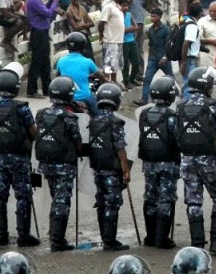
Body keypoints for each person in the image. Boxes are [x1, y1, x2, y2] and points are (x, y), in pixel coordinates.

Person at [176, 67, 216, 255]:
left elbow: (177, 132)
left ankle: (197, 243)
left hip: (188, 159)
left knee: (193, 201)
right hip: (209, 159)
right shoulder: (213, 105)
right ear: (206, 85)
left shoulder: (181, 106)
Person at [35, 76, 83, 252]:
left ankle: (54, 235)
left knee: (56, 198)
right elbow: (77, 142)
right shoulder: (70, 117)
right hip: (64, 165)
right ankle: (57, 240)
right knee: (62, 201)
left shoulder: (41, 114)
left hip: (46, 164)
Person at [138, 77, 180, 250]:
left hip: (149, 162)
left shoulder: (144, 113)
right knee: (166, 198)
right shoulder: (172, 116)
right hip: (168, 162)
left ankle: (150, 236)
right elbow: (177, 138)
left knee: (150, 196)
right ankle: (162, 239)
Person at [0, 63, 39, 247]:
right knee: (23, 195)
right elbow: (33, 132)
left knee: (0, 196)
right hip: (19, 158)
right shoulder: (21, 108)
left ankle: (1, 234)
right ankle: (24, 235)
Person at [89, 83, 130, 251]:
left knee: (102, 202)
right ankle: (109, 241)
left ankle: (105, 238)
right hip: (112, 169)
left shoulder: (93, 121)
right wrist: (125, 168)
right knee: (112, 204)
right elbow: (120, 147)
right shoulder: (116, 122)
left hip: (98, 167)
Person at [26, 0, 61, 98]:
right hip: (38, 33)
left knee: (45, 61)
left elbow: (45, 10)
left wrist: (51, 1)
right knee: (37, 62)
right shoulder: (33, 0)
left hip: (42, 32)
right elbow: (49, 14)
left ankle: (47, 88)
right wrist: (56, 1)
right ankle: (32, 90)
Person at [56, 32, 103, 116]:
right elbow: (100, 75)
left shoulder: (60, 61)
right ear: (83, 47)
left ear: (67, 46)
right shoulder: (88, 62)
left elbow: (58, 77)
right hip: (85, 97)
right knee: (100, 117)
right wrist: (107, 81)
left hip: (67, 98)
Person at [135, 9, 173, 106]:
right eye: (151, 16)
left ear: (160, 17)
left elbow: (169, 45)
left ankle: (176, 96)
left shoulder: (166, 29)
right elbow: (150, 45)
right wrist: (150, 58)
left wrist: (165, 57)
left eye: (154, 16)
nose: (152, 18)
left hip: (164, 59)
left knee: (171, 79)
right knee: (147, 79)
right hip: (153, 59)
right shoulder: (150, 30)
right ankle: (144, 99)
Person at [99, 0, 127, 82]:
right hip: (111, 41)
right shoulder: (108, 7)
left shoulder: (118, 7)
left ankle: (114, 83)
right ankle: (106, 83)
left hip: (118, 40)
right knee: (108, 65)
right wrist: (101, 36)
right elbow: (101, 23)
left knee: (115, 65)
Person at [181, 3, 203, 100]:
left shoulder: (188, 22)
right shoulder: (192, 26)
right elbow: (186, 44)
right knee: (189, 84)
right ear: (200, 13)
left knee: (191, 83)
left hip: (190, 58)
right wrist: (184, 62)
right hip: (190, 59)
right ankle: (187, 106)